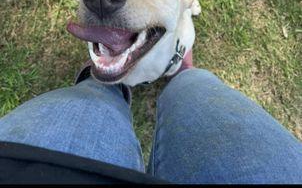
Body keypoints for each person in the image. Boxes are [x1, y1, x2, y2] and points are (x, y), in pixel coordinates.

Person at [0, 51, 301, 184]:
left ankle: (107, 78)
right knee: (198, 95)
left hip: (25, 168)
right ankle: (183, 74)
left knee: (91, 101)